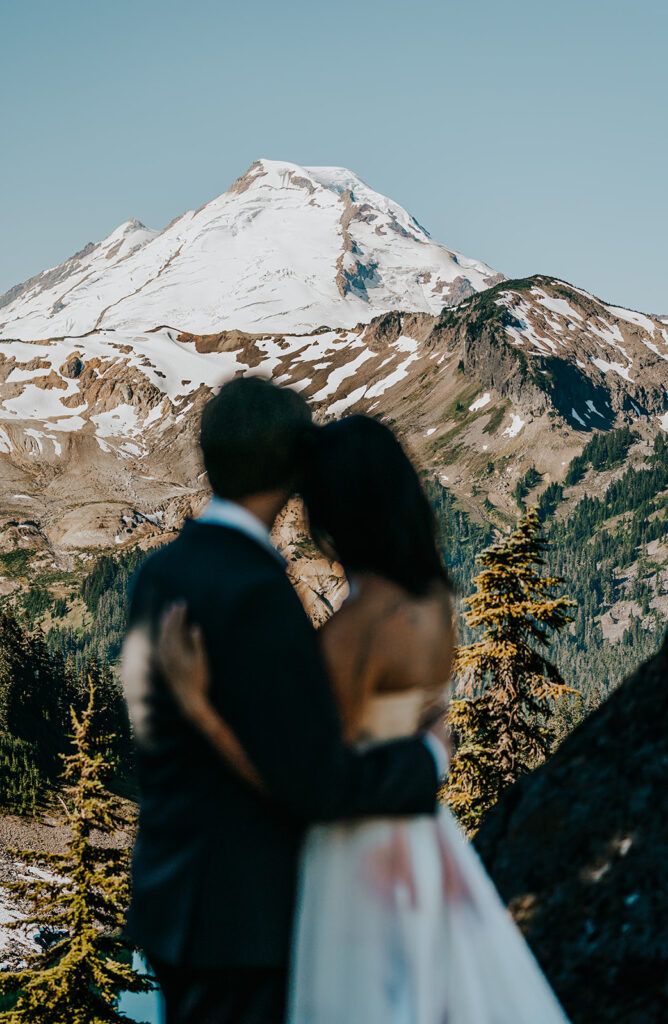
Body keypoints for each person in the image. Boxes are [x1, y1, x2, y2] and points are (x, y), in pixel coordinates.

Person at [159, 415, 572, 1023]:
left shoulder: (355, 631)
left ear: (337, 511)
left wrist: (199, 706)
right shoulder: (432, 601)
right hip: (422, 837)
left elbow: (303, 784)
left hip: (356, 854)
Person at [121, 380, 447, 1024]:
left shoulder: (159, 574)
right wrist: (430, 759)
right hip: (245, 918)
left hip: (170, 894)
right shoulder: (259, 593)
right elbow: (312, 779)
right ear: (293, 468)